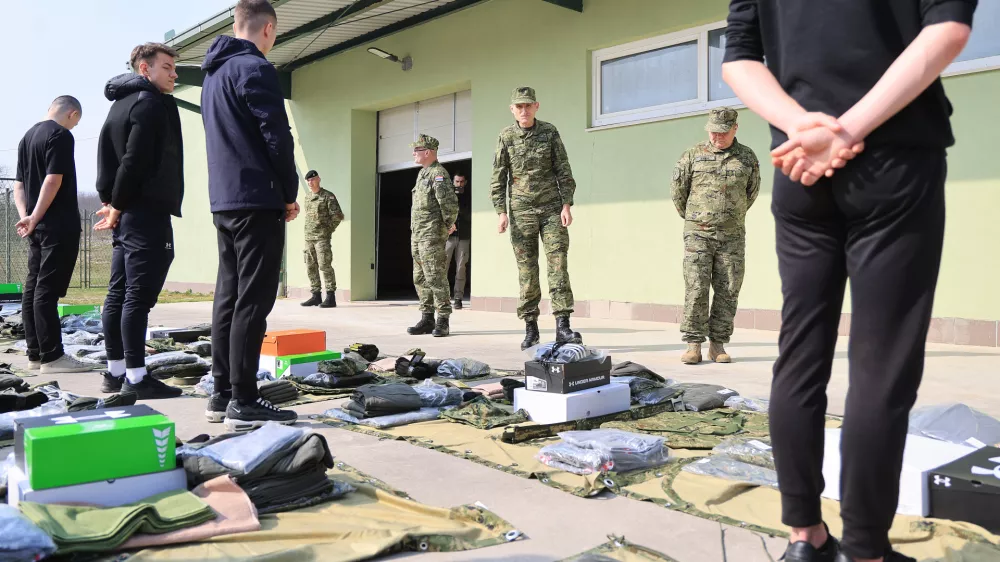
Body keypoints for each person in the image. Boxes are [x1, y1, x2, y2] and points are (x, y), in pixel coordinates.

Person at [721, 1, 975, 561]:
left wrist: (799, 125)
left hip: (799, 166)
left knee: (801, 349)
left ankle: (804, 539)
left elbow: (738, 56)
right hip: (893, 162)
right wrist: (846, 130)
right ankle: (865, 550)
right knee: (881, 364)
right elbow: (949, 29)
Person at [201, 0, 300, 431]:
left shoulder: (213, 74)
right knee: (253, 301)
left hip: (224, 200)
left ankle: (221, 391)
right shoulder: (255, 69)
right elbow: (276, 137)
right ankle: (244, 398)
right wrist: (289, 191)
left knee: (228, 296)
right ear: (268, 29)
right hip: (257, 198)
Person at [95, 42, 185, 400]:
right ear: (145, 70)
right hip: (144, 211)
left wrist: (111, 200)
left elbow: (106, 159)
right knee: (137, 296)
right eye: (167, 67)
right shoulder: (150, 104)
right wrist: (117, 203)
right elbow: (134, 161)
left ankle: (115, 371)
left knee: (118, 292)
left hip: (128, 211)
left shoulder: (120, 104)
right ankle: (135, 377)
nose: (174, 74)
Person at [491, 87, 580, 350]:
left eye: (528, 105)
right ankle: (531, 327)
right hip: (521, 213)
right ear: (512, 109)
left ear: (536, 106)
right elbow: (499, 175)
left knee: (558, 265)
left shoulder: (549, 132)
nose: (524, 110)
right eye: (519, 106)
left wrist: (566, 204)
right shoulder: (506, 136)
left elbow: (563, 168)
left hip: (552, 209)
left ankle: (563, 327)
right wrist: (501, 212)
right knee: (527, 271)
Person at [671, 107, 760, 365]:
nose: (716, 137)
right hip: (698, 234)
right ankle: (693, 345)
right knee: (696, 287)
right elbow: (678, 193)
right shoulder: (692, 155)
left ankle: (717, 344)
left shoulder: (746, 157)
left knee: (728, 288)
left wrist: (730, 217)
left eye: (722, 132)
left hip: (732, 236)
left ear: (735, 129)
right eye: (712, 131)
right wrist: (696, 219)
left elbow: (751, 193)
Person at [13, 96, 92, 375]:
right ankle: (53, 356)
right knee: (46, 291)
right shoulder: (60, 135)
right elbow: (53, 179)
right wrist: (35, 216)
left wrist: (28, 216)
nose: (74, 127)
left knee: (33, 288)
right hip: (58, 224)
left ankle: (35, 353)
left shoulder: (28, 136)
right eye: (76, 122)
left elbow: (19, 184)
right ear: (72, 114)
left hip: (37, 226)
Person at [406, 134, 459, 338]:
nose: (413, 153)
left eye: (416, 150)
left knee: (435, 276)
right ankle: (427, 318)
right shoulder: (423, 174)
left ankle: (443, 320)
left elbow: (448, 203)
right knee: (420, 277)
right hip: (418, 234)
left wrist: (448, 224)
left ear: (427, 152)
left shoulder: (439, 174)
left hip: (431, 234)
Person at [300, 169, 344, 309]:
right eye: (308, 180)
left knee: (325, 265)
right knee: (310, 266)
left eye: (312, 180)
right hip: (309, 237)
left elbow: (337, 216)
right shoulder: (307, 197)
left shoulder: (327, 196)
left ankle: (330, 297)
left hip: (321, 238)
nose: (310, 182)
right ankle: (315, 295)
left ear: (319, 179)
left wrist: (327, 230)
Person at [445, 171, 471, 309]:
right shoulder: (448, 196)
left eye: (461, 182)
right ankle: (442, 297)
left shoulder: (469, 196)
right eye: (457, 182)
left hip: (464, 237)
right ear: (453, 182)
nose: (459, 184)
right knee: (443, 267)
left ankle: (458, 298)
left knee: (461, 268)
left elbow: (469, 216)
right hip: (448, 237)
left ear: (465, 182)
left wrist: (459, 209)